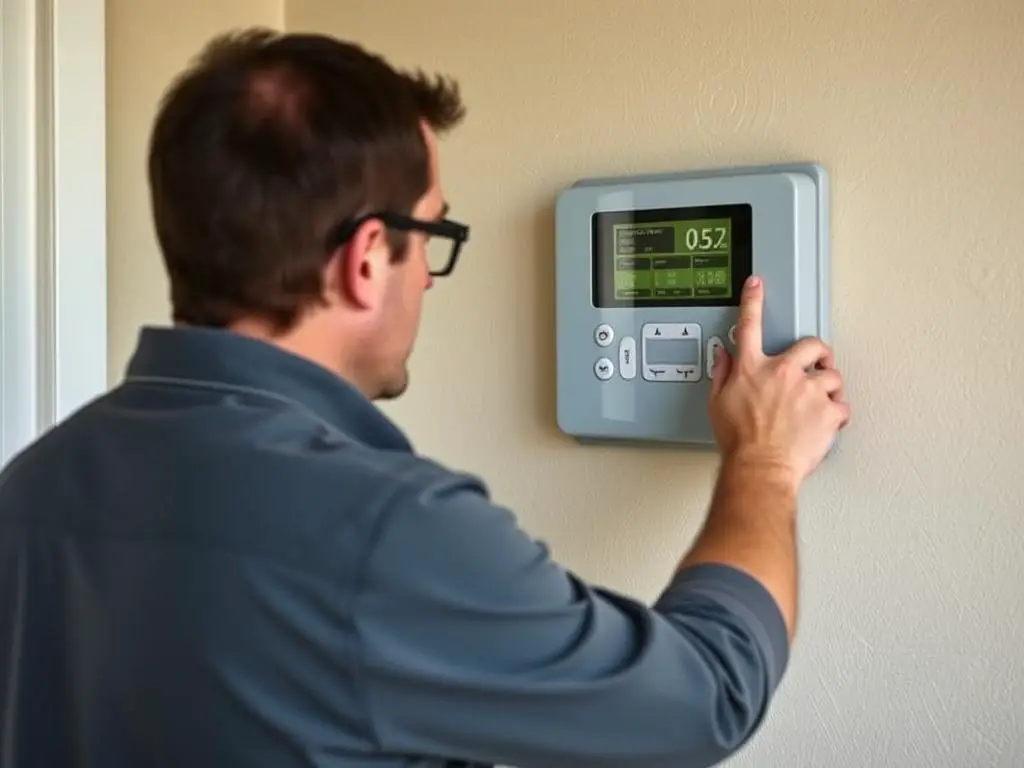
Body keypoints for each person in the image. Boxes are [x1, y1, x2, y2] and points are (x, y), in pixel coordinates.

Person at [0, 28, 850, 768]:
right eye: (433, 231)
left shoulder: (32, 487)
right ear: (368, 258)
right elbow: (707, 696)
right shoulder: (382, 532)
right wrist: (765, 462)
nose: (429, 279)